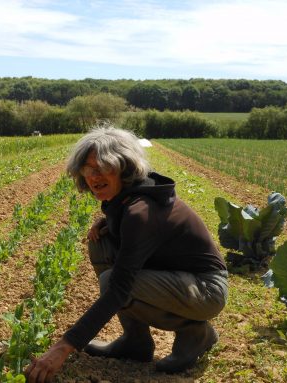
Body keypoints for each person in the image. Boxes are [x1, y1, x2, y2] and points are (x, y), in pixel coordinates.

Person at [24, 127, 228, 383]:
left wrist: (63, 346)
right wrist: (107, 223)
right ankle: (136, 342)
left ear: (124, 166)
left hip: (206, 289)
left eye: (102, 167)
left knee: (112, 282)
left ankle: (195, 332)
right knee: (101, 243)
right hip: (178, 277)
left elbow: (120, 288)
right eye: (87, 169)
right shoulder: (127, 199)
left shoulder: (140, 211)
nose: (93, 176)